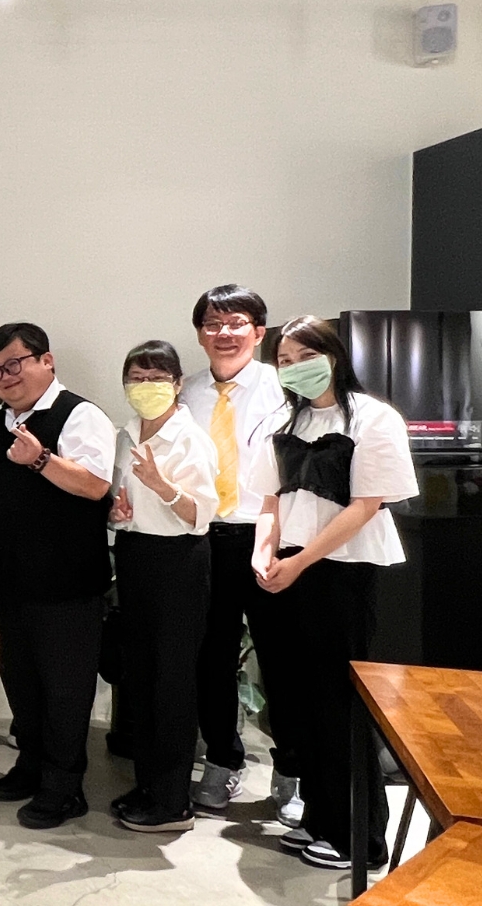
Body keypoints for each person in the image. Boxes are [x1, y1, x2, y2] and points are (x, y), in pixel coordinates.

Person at [251, 315, 416, 871]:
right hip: (287, 568)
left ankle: (358, 837)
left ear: (334, 356)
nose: (295, 367)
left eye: (306, 355)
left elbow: (367, 505)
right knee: (300, 701)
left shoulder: (373, 417)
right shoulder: (283, 419)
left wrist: (301, 561)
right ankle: (321, 816)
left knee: (340, 704)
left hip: (343, 571)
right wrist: (264, 552)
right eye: (285, 360)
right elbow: (269, 499)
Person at [0, 321, 116, 829]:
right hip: (12, 581)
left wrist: (40, 459)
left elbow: (96, 485)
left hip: (66, 583)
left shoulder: (80, 414)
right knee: (22, 684)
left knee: (65, 690)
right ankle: (31, 765)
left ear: (46, 361)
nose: (5, 377)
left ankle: (64, 786)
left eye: (15, 364)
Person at [180, 285, 297, 821]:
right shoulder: (187, 393)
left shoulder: (284, 388)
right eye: (212, 323)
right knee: (212, 657)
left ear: (258, 331)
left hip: (271, 536)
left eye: (236, 323)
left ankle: (291, 770)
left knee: (281, 658)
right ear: (200, 333)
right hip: (207, 537)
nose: (223, 333)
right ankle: (222, 761)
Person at [107, 341, 219, 833]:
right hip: (135, 556)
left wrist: (160, 485)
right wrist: (116, 513)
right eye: (136, 377)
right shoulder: (125, 433)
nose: (145, 386)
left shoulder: (191, 438)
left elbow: (201, 516)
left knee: (172, 681)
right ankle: (148, 785)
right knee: (142, 677)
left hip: (179, 562)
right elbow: (120, 503)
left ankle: (173, 802)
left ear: (176, 384)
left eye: (156, 377)